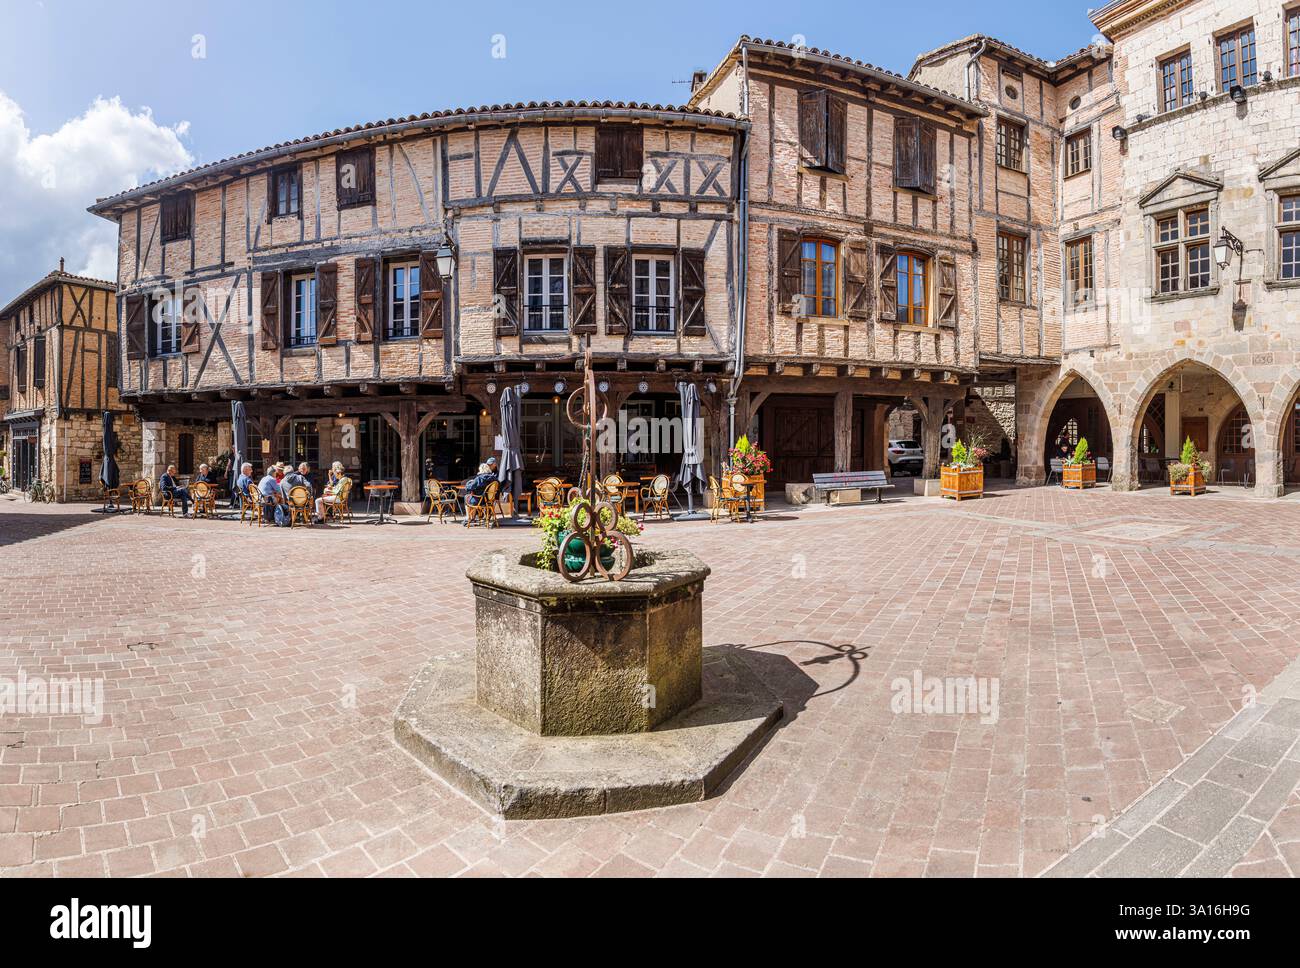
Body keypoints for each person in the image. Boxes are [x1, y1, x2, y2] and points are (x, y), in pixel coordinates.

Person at [462, 457, 497, 527]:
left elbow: (468, 488)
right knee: (471, 497)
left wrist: (469, 483)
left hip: (479, 500)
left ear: (481, 470)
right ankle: (473, 518)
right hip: (489, 500)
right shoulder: (493, 478)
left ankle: (469, 517)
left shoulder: (479, 478)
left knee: (467, 497)